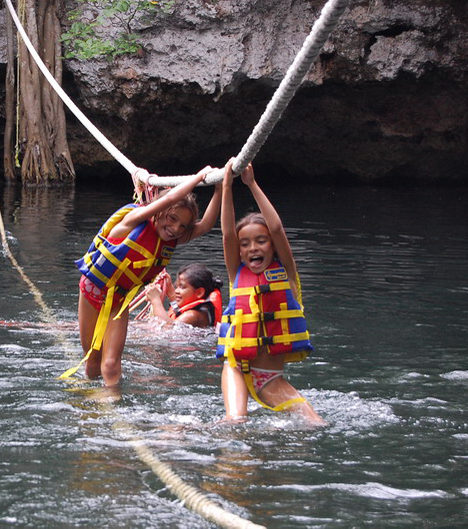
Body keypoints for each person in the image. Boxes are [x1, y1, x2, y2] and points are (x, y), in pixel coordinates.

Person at [66, 167, 222, 387]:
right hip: (93, 290)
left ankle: (112, 404)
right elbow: (175, 196)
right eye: (172, 219)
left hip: (119, 302)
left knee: (110, 364)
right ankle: (92, 402)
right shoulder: (134, 220)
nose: (176, 229)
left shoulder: (170, 240)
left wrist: (219, 188)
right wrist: (198, 178)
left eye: (183, 225)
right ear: (160, 210)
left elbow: (205, 225)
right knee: (93, 359)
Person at [216, 158, 325, 425]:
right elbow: (228, 234)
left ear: (272, 247)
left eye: (261, 241)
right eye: (246, 244)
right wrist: (227, 186)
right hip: (236, 369)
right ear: (240, 252)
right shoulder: (236, 274)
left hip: (270, 376)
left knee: (315, 424)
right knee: (235, 422)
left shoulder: (287, 275)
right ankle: (180, 430)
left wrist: (251, 184)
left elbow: (276, 228)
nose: (253, 248)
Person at [144, 263, 223, 329]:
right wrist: (170, 291)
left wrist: (155, 300)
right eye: (177, 286)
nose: (176, 291)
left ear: (199, 293)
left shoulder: (193, 315)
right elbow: (177, 313)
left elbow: (166, 328)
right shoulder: (199, 310)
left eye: (182, 287)